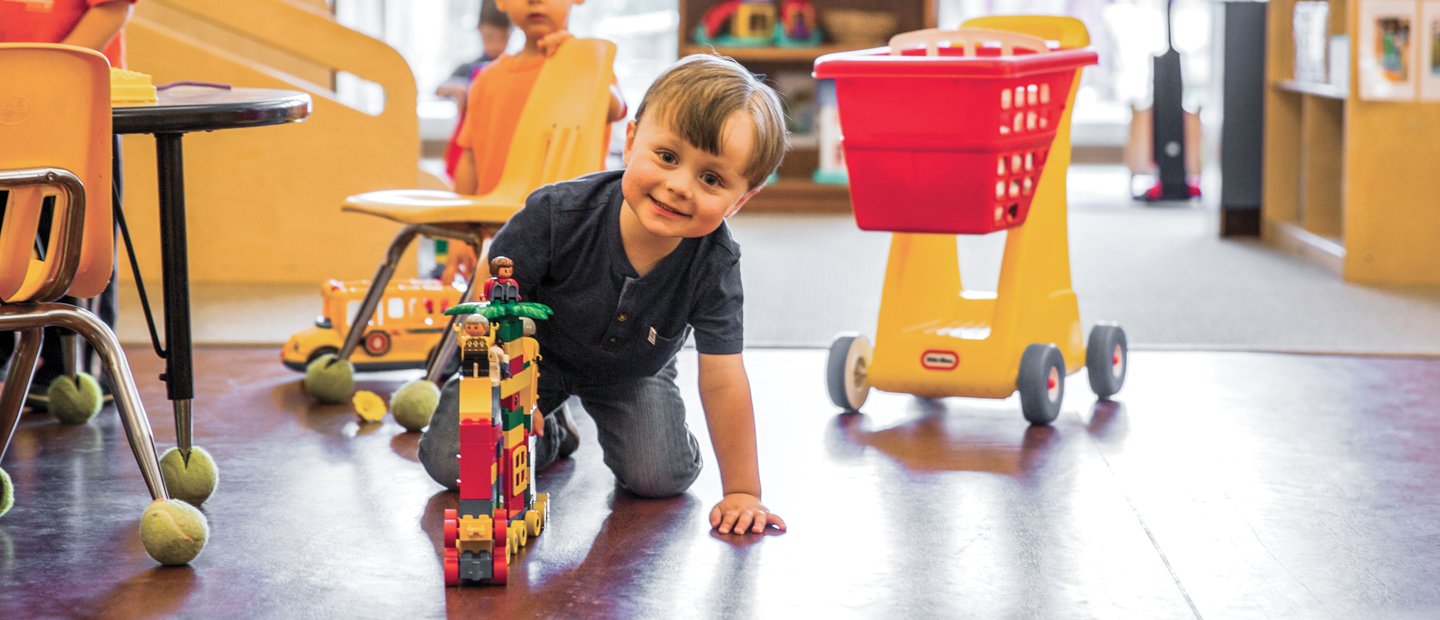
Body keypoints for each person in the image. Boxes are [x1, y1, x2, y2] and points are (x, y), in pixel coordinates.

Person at [421, 54, 791, 535]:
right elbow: (488, 306)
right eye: (668, 157)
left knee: (660, 478)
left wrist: (743, 491)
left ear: (741, 199)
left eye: (711, 179)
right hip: (526, 361)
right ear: (632, 141)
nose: (679, 186)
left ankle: (562, 426)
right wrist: (513, 388)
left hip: (634, 370)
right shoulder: (557, 214)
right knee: (451, 462)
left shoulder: (715, 263)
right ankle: (551, 433)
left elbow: (723, 378)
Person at [0, 0, 135, 410]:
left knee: (72, 243)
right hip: (7, 102)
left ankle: (72, 370)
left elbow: (111, 9)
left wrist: (46, 79)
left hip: (71, 100)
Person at [451, 0, 627, 197]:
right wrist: (460, 212)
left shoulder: (587, 66)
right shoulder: (486, 79)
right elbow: (470, 158)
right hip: (495, 214)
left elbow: (616, 108)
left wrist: (573, 56)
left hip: (569, 213)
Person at [437, 0, 513, 180]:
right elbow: (439, 89)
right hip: (469, 145)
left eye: (503, 38)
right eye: (490, 37)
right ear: (480, 30)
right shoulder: (468, 69)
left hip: (501, 145)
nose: (496, 45)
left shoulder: (513, 68)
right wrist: (460, 88)